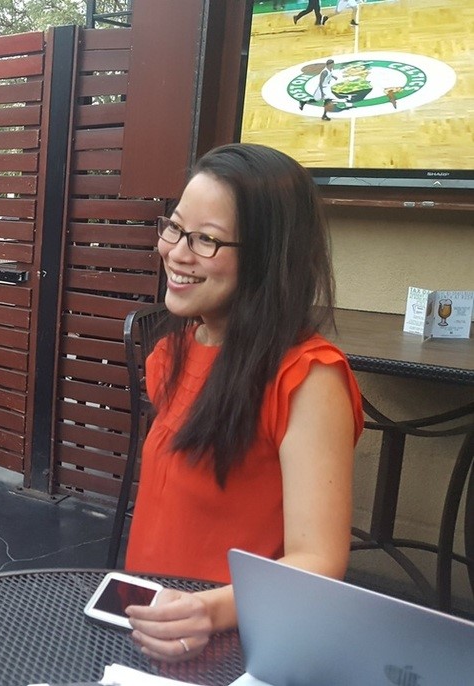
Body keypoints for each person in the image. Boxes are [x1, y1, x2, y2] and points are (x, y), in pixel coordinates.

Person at [120, 143, 363, 662]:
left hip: (238, 646)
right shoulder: (171, 354)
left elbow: (320, 560)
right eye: (175, 228)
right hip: (154, 629)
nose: (177, 253)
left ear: (267, 259)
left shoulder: (307, 377)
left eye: (206, 239)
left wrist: (207, 610)